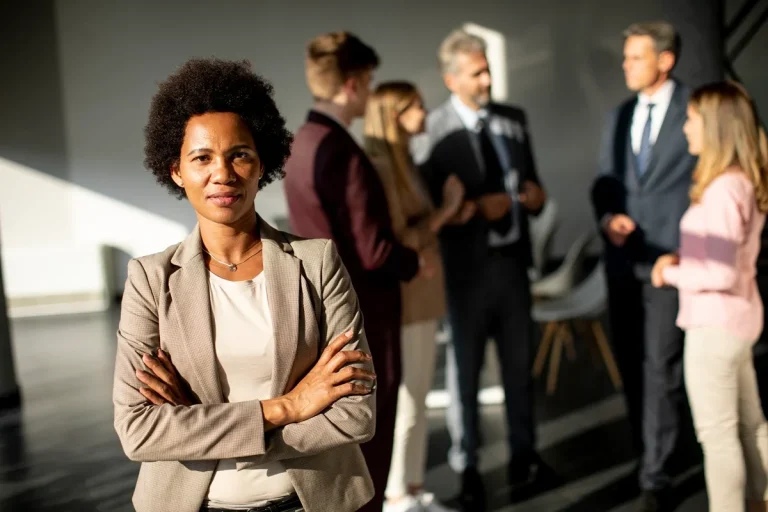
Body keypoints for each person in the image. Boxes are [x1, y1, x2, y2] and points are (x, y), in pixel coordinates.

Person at [112, 58, 377, 512]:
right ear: (176, 170)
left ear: (262, 164)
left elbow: (356, 415)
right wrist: (289, 407)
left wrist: (199, 426)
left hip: (308, 501)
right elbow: (140, 431)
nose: (223, 173)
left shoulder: (317, 263)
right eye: (201, 158)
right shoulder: (151, 280)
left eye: (240, 154)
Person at [283, 32, 436, 512]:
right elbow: (371, 251)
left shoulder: (301, 144)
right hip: (364, 308)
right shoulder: (343, 152)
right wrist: (415, 261)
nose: (369, 92)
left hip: (322, 310)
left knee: (345, 440)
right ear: (352, 85)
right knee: (371, 430)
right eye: (368, 81)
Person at [411, 29, 548, 511]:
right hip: (465, 275)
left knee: (518, 370)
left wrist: (535, 198)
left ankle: (525, 456)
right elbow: (427, 208)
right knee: (465, 377)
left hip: (513, 268)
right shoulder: (431, 131)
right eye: (477, 72)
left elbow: (533, 181)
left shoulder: (514, 119)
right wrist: (470, 207)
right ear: (451, 78)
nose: (487, 78)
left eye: (487, 68)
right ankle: (467, 467)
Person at [590, 21, 696, 511]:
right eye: (626, 57)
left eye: (635, 57)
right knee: (633, 367)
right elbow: (604, 183)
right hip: (621, 263)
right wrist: (609, 216)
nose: (626, 65)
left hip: (670, 263)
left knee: (661, 368)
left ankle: (656, 475)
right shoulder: (619, 116)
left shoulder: (695, 111)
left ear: (665, 60)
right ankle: (649, 453)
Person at [651, 81, 768, 512]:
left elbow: (718, 271)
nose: (685, 128)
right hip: (737, 320)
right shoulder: (739, 184)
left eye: (692, 119)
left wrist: (669, 273)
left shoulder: (721, 191)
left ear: (715, 127)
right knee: (751, 425)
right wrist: (685, 255)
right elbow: (724, 254)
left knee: (717, 437)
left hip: (714, 327)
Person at [363, 81, 464, 512]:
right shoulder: (383, 167)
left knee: (419, 394)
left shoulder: (406, 161)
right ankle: (397, 494)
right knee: (407, 398)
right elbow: (397, 239)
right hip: (405, 296)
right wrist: (447, 211)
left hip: (422, 293)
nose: (425, 114)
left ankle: (415, 486)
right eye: (417, 107)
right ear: (394, 114)